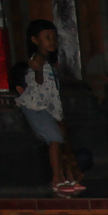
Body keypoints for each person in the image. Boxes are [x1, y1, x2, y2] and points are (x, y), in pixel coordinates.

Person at [14, 20, 79, 195]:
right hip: (35, 107)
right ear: (35, 40)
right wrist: (37, 70)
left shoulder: (48, 63)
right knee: (55, 138)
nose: (52, 41)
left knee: (60, 138)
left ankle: (66, 175)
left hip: (46, 107)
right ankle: (56, 178)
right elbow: (38, 77)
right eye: (47, 37)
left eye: (54, 37)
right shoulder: (39, 59)